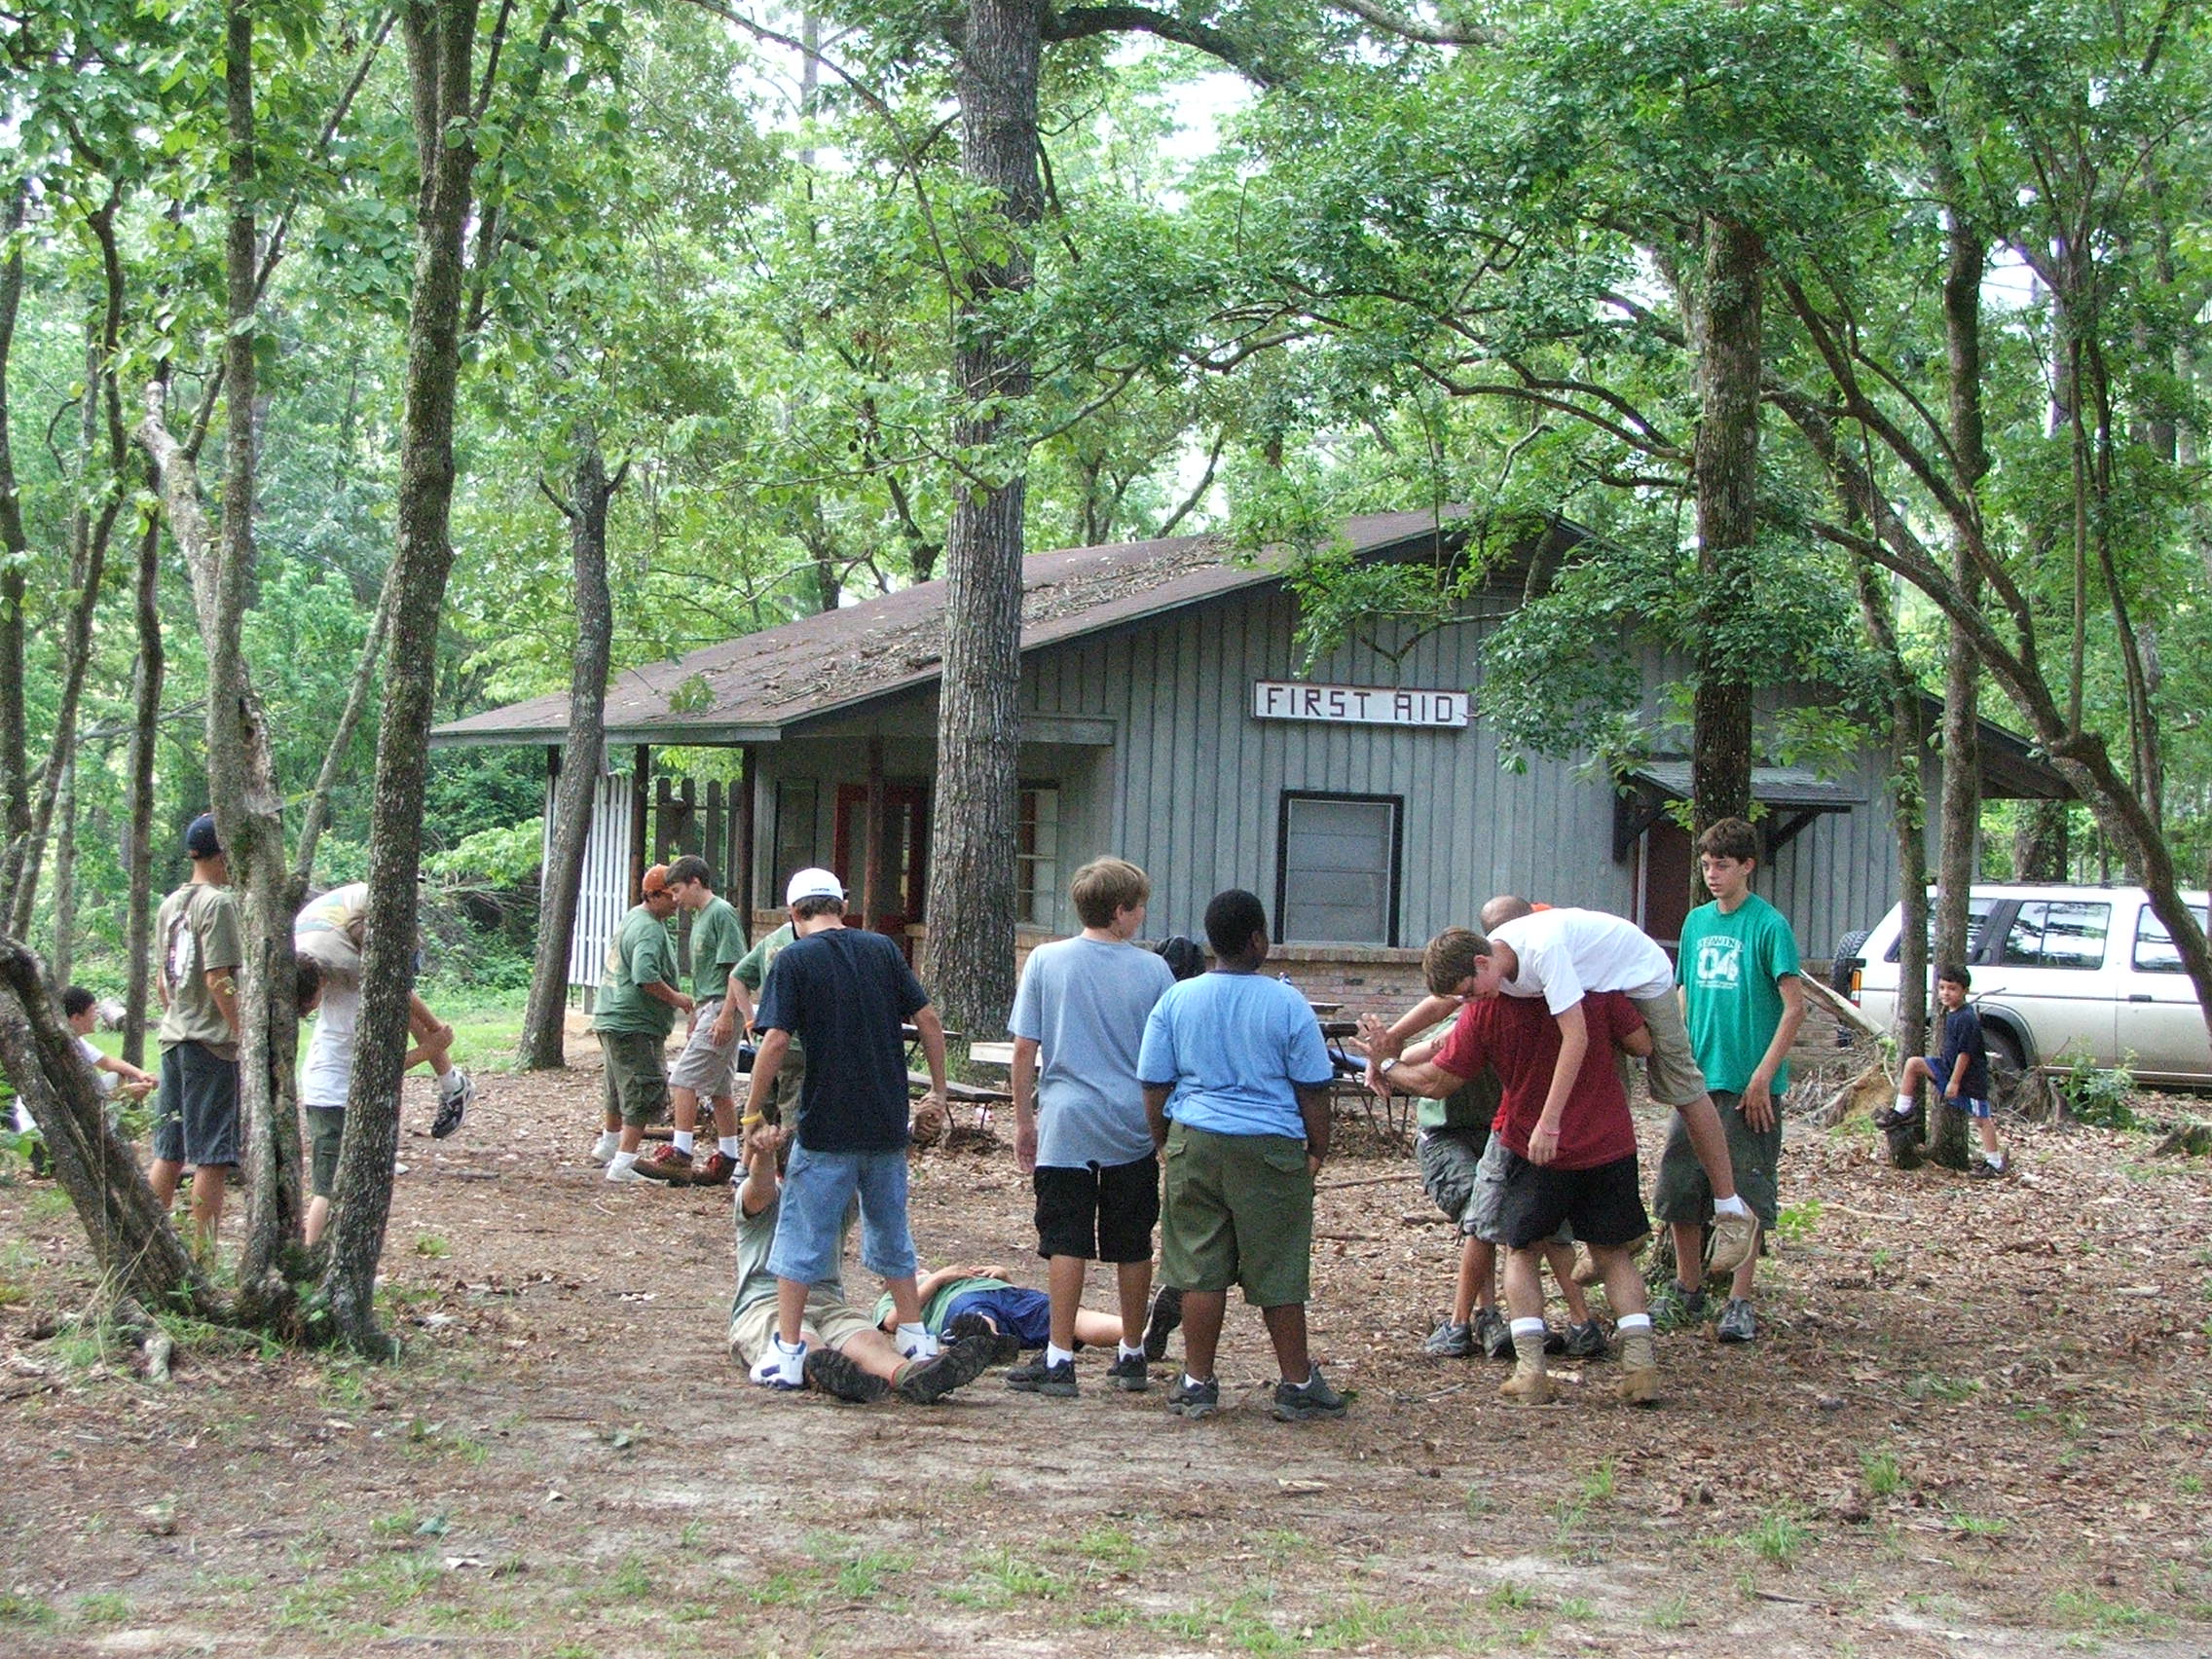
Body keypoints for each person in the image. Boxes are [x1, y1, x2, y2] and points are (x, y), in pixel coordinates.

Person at [1362, 900, 1759, 1277]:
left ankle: (1731, 1210)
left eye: (1470, 991)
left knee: (1681, 1086)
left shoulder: (1542, 953)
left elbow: (1576, 1038)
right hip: (1592, 978)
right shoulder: (1490, 962)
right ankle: (1617, 1237)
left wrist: (1548, 1121)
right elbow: (1440, 1004)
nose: (1469, 1001)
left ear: (1482, 962)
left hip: (1636, 972)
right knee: (1601, 1100)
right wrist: (1386, 1045)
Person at [1376, 928, 1663, 1407]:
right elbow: (1642, 1044)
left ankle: (1531, 1370)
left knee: (1522, 1252)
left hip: (1535, 1146)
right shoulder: (1592, 986)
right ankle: (1640, 1365)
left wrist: (1385, 1065)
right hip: (1608, 1139)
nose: (1469, 997)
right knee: (1614, 1254)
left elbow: (1436, 1082)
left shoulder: (1487, 1010)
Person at [1136, 888, 1344, 1423]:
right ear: (1257, 940)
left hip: (1196, 1139)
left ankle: (1196, 1382)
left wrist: (1163, 1142)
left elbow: (1154, 1082)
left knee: (1198, 1266)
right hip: (1270, 1146)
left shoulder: (1177, 1000)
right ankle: (1297, 1383)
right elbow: (1313, 1087)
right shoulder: (1287, 1003)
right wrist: (1317, 1149)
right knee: (1278, 1266)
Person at [743, 868, 949, 1388]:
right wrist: (939, 1092)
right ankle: (916, 1338)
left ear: (795, 914)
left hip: (827, 1123)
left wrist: (752, 1112)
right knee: (891, 1230)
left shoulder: (793, 959)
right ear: (842, 905)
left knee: (802, 1235)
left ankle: (789, 1352)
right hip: (886, 1122)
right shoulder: (882, 950)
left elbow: (774, 1041)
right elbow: (928, 1019)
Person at [1005, 856, 1175, 1398]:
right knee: (1133, 1240)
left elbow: (1025, 1049)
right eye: (1139, 906)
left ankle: (1059, 1357)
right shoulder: (1155, 971)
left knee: (1065, 1239)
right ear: (1120, 911)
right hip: (1132, 1122)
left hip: (1067, 1121)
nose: (1143, 915)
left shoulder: (1045, 960)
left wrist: (1023, 1120)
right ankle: (1132, 1352)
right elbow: (1166, 1056)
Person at [1652, 818, 1808, 1343]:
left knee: (1747, 1187)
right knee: (1680, 1182)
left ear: (1747, 866)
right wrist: (1675, 1059)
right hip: (1697, 1081)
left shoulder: (1769, 925)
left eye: (1722, 865)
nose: (1712, 874)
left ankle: (1740, 1300)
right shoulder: (1695, 923)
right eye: (1706, 865)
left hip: (1748, 1086)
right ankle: (1688, 1286)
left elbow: (1794, 1008)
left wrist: (1763, 1076)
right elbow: (1682, 994)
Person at [728, 1124, 993, 1404]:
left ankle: (916, 1375)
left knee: (869, 1341)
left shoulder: (838, 1199)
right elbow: (760, 1186)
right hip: (765, 1306)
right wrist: (763, 1152)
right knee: (805, 1342)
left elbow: (876, 1167)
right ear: (784, 1174)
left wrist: (914, 1133)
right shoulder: (767, 1199)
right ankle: (833, 1377)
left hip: (830, 1304)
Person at [1398, 1035, 1606, 1364]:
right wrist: (1397, 1059)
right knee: (1480, 1212)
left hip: (1513, 1129)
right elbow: (1414, 1060)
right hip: (1447, 1134)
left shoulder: (1539, 1026)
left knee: (1541, 1217)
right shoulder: (1470, 1022)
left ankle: (1578, 1323)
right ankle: (1474, 1320)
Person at [295, 942, 460, 1246]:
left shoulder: (344, 983)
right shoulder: (355, 1000)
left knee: (348, 1180)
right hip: (331, 1097)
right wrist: (430, 1048)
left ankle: (335, 1248)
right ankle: (312, 1252)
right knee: (327, 1187)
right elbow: (380, 1068)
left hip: (335, 1092)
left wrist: (433, 1034)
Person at [293, 880, 474, 1138]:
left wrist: (436, 1032)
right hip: (341, 917)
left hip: (382, 912)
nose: (311, 1012)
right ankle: (452, 1082)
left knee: (393, 1003)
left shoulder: (349, 964)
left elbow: (401, 992)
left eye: (310, 1005)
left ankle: (453, 1086)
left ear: (320, 982)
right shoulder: (294, 959)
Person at [151, 813, 242, 1252]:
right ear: (223, 854)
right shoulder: (219, 904)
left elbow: (161, 982)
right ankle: (203, 1256)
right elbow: (218, 977)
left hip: (174, 1038)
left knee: (169, 1152)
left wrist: (179, 1016)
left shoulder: (170, 904)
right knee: (213, 1156)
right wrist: (243, 1032)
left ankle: (150, 1249)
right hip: (211, 1045)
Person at [636, 857, 749, 1186]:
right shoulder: (702, 917)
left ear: (695, 882)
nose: (675, 898)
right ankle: (727, 1158)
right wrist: (696, 1014)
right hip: (707, 1007)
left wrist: (726, 1015)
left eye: (677, 890)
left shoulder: (721, 913)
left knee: (683, 1079)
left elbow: (737, 971)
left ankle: (680, 1153)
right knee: (720, 1089)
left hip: (721, 1007)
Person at [588, 865, 693, 1182]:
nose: (676, 902)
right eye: (671, 895)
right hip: (633, 1022)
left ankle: (609, 1144)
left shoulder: (635, 917)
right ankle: (624, 1162)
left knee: (616, 1086)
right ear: (653, 895)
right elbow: (645, 975)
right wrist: (678, 999)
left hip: (611, 1015)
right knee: (642, 1088)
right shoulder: (648, 929)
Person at [871, 1261, 1132, 1366]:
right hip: (962, 1301)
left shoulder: (939, 1275)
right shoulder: (891, 1297)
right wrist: (936, 1280)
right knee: (976, 1315)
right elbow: (893, 1322)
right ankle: (989, 1340)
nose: (916, 1269)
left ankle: (1137, 1332)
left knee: (1067, 1317)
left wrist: (1003, 1276)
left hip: (1007, 1294)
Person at [1877, 965, 2007, 1177]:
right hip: (1946, 1068)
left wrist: (1954, 1082)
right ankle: (1901, 1112)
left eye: (1952, 989)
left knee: (1981, 1120)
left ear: (1964, 991)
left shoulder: (1966, 1018)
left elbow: (1965, 1054)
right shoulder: (1952, 1013)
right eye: (1942, 988)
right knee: (1913, 1064)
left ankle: (1995, 1163)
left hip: (1969, 1079)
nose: (1946, 993)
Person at [727, 914, 801, 1124]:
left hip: (766, 1042)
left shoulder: (771, 940)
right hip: (798, 1044)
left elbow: (737, 976)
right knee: (794, 1114)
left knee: (760, 1114)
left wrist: (750, 1021)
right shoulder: (812, 944)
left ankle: (752, 1145)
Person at [62, 987, 156, 1103]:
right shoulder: (61, 1048)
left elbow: (107, 1062)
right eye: (93, 1011)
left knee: (117, 1076)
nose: (97, 1017)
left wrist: (141, 1074)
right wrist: (123, 1094)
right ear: (77, 1018)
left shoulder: (78, 1041)